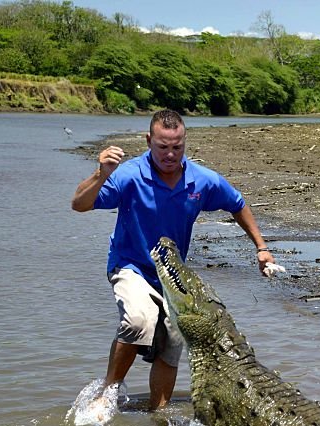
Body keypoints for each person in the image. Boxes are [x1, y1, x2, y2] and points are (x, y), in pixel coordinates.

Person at [72, 109, 276, 410]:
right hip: (130, 265)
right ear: (148, 141)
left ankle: (159, 413)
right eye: (162, 147)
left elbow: (238, 204)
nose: (170, 154)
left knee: (173, 339)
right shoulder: (129, 175)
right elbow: (79, 204)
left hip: (171, 273)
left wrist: (261, 247)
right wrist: (100, 174)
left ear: (185, 143)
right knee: (139, 320)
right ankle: (107, 393)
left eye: (177, 147)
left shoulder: (201, 181)